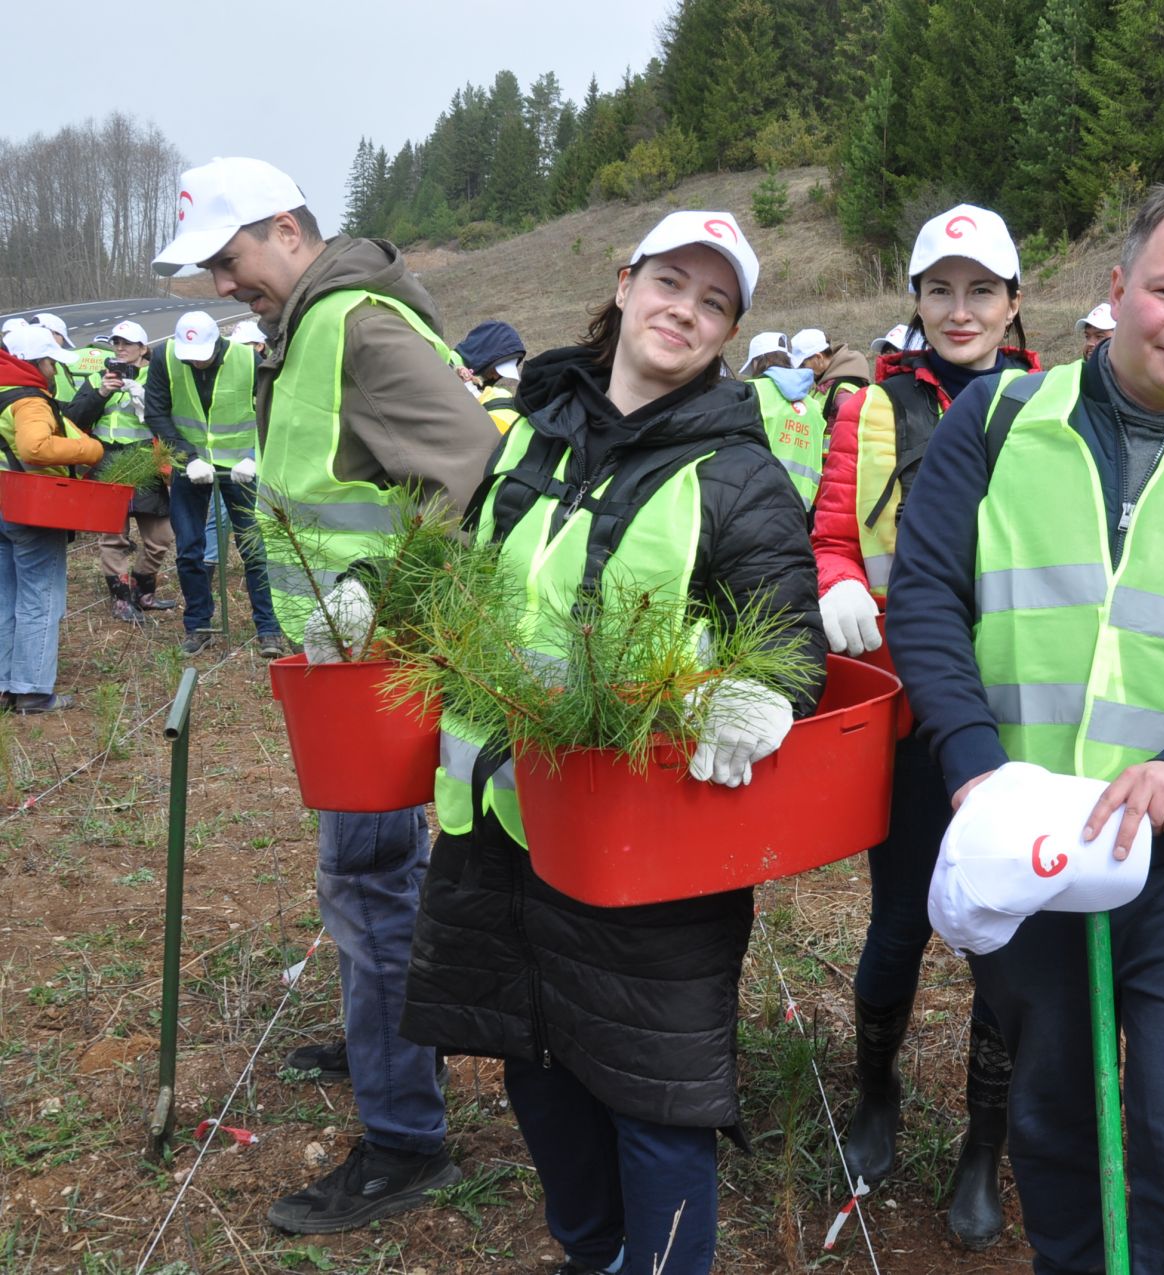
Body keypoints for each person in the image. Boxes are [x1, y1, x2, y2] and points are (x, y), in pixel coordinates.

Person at [885, 181, 1164, 1273]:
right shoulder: (996, 420)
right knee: (1051, 1118)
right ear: (1118, 288)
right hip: (1035, 840)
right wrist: (973, 765)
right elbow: (928, 600)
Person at [400, 210, 826, 1275]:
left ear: (730, 332)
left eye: (715, 301)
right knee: (536, 1059)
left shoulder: (737, 476)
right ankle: (592, 1254)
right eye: (671, 282)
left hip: (648, 847)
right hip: (503, 818)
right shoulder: (534, 432)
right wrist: (376, 596)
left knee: (653, 1092)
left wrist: (761, 695)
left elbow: (789, 645)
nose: (685, 309)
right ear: (626, 283)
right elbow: (465, 577)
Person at [154, 154, 497, 1233]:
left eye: (230, 256)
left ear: (289, 227)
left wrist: (373, 589)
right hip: (354, 662)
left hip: (385, 662)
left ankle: (404, 1138)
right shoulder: (314, 324)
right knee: (367, 878)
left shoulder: (355, 321)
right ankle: (376, 1040)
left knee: (370, 884)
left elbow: (475, 467)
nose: (221, 283)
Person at [810, 203, 1041, 1249]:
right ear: (914, 300)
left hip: (1013, 718)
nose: (959, 310)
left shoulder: (1052, 409)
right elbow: (829, 532)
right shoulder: (869, 410)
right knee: (898, 924)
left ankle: (984, 1150)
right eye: (939, 290)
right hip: (907, 711)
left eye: (980, 290)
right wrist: (840, 581)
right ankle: (875, 1095)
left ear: (1012, 303)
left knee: (1003, 943)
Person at [142, 311, 284, 656]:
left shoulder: (247, 359)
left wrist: (254, 455)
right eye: (189, 359)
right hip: (191, 468)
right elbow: (157, 413)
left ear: (217, 344)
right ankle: (199, 625)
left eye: (202, 357)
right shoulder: (165, 358)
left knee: (255, 548)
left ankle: (269, 629)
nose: (196, 364)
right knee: (190, 549)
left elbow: (273, 411)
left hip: (241, 469)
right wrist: (188, 458)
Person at [0, 324, 105, 713]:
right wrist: (89, 449)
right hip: (31, 508)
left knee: (5, 596)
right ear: (39, 362)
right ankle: (32, 691)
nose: (53, 372)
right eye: (51, 363)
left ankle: (4, 686)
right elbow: (34, 447)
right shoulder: (28, 400)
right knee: (39, 598)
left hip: (2, 506)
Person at [62, 320, 178, 622]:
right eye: (116, 343)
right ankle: (121, 599)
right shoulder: (100, 377)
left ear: (143, 348)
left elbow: (171, 421)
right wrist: (101, 393)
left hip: (145, 462)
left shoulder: (157, 378)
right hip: (108, 462)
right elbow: (73, 419)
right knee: (113, 537)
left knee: (161, 536)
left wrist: (146, 398)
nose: (120, 348)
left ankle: (143, 589)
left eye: (127, 343)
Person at [742, 332, 827, 509]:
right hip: (801, 509)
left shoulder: (751, 392)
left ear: (758, 362)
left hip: (756, 503)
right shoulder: (813, 405)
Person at [453, 319, 526, 432]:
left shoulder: (472, 371)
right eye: (497, 370)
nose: (496, 377)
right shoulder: (448, 370)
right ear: (486, 358)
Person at [790, 326, 870, 428]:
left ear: (819, 358)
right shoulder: (825, 384)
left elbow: (853, 431)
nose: (801, 370)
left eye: (803, 365)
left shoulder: (842, 391)